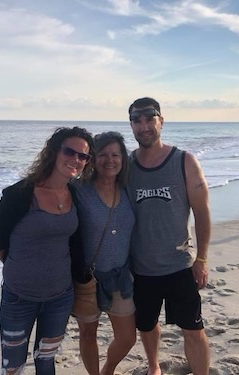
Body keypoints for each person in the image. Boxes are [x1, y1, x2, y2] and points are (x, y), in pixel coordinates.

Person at [0, 127, 94, 375]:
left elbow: (75, 242)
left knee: (46, 360)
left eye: (83, 156)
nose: (75, 159)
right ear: (54, 152)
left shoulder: (75, 194)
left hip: (60, 296)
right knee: (12, 366)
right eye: (70, 151)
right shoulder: (21, 194)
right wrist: (16, 264)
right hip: (19, 298)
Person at [126, 97, 211, 375]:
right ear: (131, 126)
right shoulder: (125, 168)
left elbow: (202, 211)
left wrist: (202, 258)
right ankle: (154, 368)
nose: (143, 126)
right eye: (136, 120)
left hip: (179, 265)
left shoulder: (184, 161)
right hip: (141, 269)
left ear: (161, 121)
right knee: (147, 325)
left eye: (149, 118)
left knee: (193, 328)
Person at [71, 131, 136, 375]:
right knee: (88, 334)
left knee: (127, 337)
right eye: (103, 155)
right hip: (87, 280)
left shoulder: (128, 189)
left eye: (115, 155)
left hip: (120, 277)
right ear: (92, 159)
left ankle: (108, 369)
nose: (110, 160)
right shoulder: (79, 190)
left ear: (123, 159)